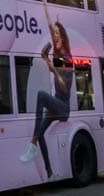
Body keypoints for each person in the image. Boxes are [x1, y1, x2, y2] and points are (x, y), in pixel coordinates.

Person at [19, 22, 74, 180]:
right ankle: (49, 172)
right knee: (41, 131)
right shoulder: (58, 57)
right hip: (56, 105)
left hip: (63, 108)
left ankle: (32, 143)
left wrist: (53, 67)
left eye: (58, 33)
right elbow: (54, 69)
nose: (55, 35)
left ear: (63, 37)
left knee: (42, 95)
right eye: (54, 33)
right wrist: (46, 59)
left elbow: (64, 87)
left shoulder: (68, 59)